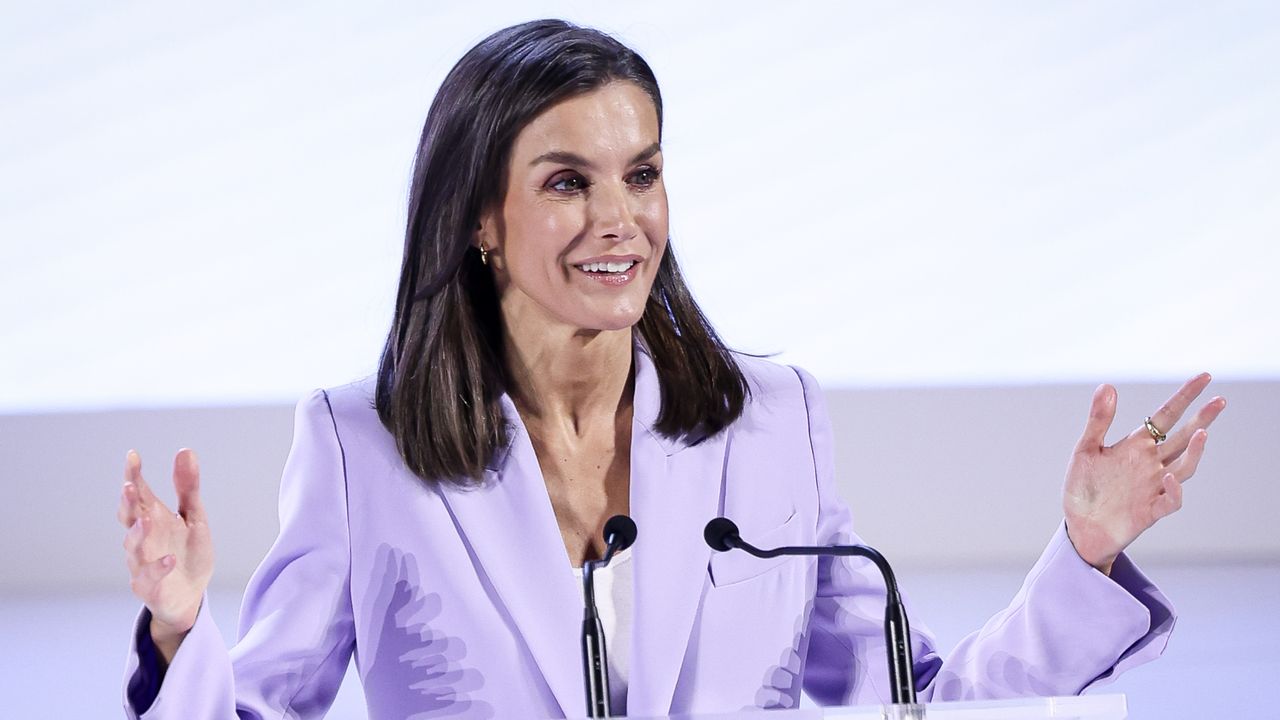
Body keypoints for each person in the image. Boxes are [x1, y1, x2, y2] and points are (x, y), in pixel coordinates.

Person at [117, 19, 1226, 720]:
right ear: (478, 220)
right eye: (565, 182)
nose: (619, 220)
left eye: (640, 174)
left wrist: (1084, 550)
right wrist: (177, 625)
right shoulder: (361, 447)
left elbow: (912, 702)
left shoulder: (768, 424)